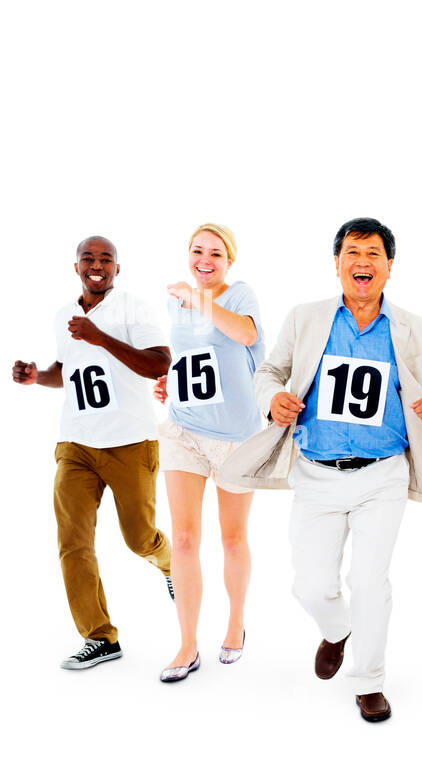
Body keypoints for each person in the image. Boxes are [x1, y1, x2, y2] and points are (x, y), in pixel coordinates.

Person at [221, 217, 422, 721]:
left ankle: (369, 680)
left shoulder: (414, 329)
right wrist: (274, 400)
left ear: (389, 267)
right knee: (310, 584)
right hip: (315, 472)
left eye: (373, 254)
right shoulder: (306, 318)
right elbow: (268, 371)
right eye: (352, 252)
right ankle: (336, 629)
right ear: (337, 264)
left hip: (383, 473)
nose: (363, 262)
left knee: (370, 579)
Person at [12, 236, 174, 670]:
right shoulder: (63, 316)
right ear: (77, 267)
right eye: (89, 258)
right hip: (76, 444)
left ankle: (168, 560)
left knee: (139, 538)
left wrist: (100, 337)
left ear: (117, 269)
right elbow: (66, 372)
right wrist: (36, 378)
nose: (97, 265)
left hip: (129, 442)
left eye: (106, 260)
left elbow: (160, 364)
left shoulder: (133, 308)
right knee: (73, 542)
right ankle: (100, 637)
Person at [151, 224, 265, 683]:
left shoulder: (239, 296)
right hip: (184, 430)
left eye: (215, 253)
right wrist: (171, 381)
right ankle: (187, 643)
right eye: (197, 251)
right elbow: (193, 358)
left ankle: (236, 622)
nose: (204, 259)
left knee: (233, 538)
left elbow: (242, 336)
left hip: (235, 436)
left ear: (229, 261)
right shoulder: (177, 303)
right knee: (182, 538)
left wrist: (199, 298)